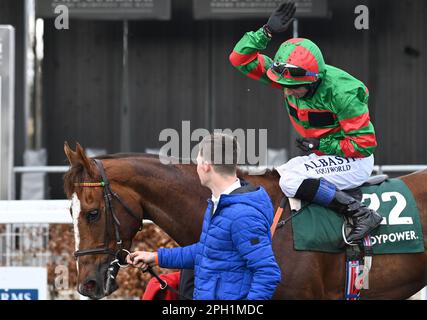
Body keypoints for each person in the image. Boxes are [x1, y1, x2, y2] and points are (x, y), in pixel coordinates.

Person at [229, 2, 382, 243]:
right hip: (324, 155)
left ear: (313, 81)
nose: (287, 93)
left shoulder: (343, 94)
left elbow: (365, 145)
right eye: (284, 87)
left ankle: (361, 214)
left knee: (291, 181)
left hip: (355, 160)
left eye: (294, 88)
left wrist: (322, 145)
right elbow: (239, 58)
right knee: (278, 175)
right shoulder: (287, 78)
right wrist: (266, 31)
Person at [127, 133, 281, 300]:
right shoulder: (219, 204)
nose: (197, 167)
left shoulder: (242, 215)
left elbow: (267, 272)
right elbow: (208, 250)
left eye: (198, 161)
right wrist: (156, 257)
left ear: (207, 166)